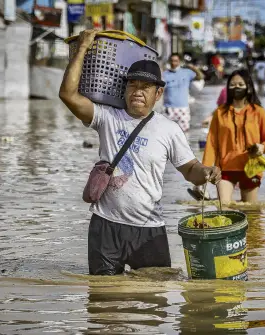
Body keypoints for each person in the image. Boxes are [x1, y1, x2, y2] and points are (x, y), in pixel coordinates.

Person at [59, 29, 221, 276]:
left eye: (146, 87)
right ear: (123, 89)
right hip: (105, 225)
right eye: (132, 84)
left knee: (154, 304)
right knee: (103, 304)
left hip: (149, 229)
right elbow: (68, 95)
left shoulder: (169, 129)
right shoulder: (107, 117)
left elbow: (190, 169)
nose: (137, 91)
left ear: (158, 94)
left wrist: (206, 172)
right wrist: (82, 48)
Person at [198, 69, 265, 204]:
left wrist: (262, 147)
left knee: (251, 213)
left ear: (249, 88)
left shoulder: (258, 112)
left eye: (240, 84)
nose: (236, 87)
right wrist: (204, 171)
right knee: (224, 206)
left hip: (251, 169)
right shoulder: (220, 113)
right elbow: (211, 143)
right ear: (227, 88)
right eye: (233, 84)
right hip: (225, 168)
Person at [163, 53, 204, 132]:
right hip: (168, 108)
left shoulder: (187, 72)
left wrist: (193, 67)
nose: (173, 63)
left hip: (183, 108)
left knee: (184, 134)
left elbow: (201, 76)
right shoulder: (164, 74)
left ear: (179, 62)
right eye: (171, 61)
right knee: (167, 133)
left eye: (176, 61)